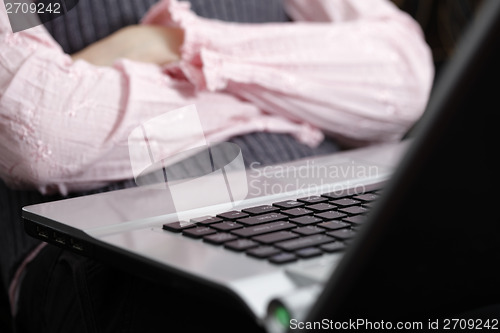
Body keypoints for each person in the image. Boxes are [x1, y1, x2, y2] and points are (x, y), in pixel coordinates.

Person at [0, 0, 434, 331]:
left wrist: (167, 44)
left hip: (309, 198)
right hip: (108, 241)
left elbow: (402, 77)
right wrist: (288, 96)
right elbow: (40, 128)